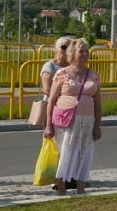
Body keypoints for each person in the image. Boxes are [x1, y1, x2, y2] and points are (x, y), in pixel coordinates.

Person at [43, 38, 102, 196]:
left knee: (84, 152)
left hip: (87, 122)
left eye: (86, 51)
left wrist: (98, 125)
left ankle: (80, 188)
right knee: (65, 153)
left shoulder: (93, 75)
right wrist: (48, 125)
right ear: (72, 53)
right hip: (66, 121)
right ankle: (62, 189)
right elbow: (51, 101)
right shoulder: (62, 74)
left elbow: (98, 103)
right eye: (81, 51)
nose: (84, 54)